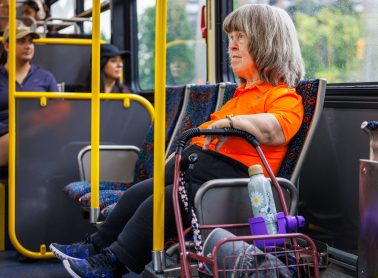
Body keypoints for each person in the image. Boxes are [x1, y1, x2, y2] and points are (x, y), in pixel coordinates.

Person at [50, 4, 305, 277]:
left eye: (240, 37)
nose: (231, 46)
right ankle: (96, 247)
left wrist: (230, 123)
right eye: (230, 38)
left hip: (230, 186)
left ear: (267, 42)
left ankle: (112, 264)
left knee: (158, 204)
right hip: (202, 173)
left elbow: (274, 129)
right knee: (139, 193)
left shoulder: (283, 96)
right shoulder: (241, 95)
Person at [0, 21, 58, 172]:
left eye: (31, 42)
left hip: (39, 134)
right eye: (21, 41)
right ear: (7, 46)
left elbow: (58, 112)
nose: (28, 46)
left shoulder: (45, 77)